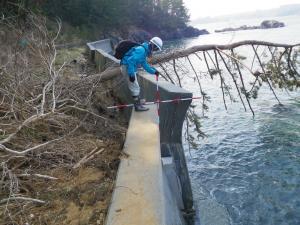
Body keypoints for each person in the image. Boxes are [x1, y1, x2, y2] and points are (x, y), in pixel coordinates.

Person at [120, 37, 163, 111]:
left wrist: (154, 72)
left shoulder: (144, 51)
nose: (155, 50)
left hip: (129, 67)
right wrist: (131, 74)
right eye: (156, 48)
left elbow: (145, 65)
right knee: (135, 87)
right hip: (127, 67)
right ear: (153, 45)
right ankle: (137, 106)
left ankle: (138, 103)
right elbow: (130, 61)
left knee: (136, 87)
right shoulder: (141, 50)